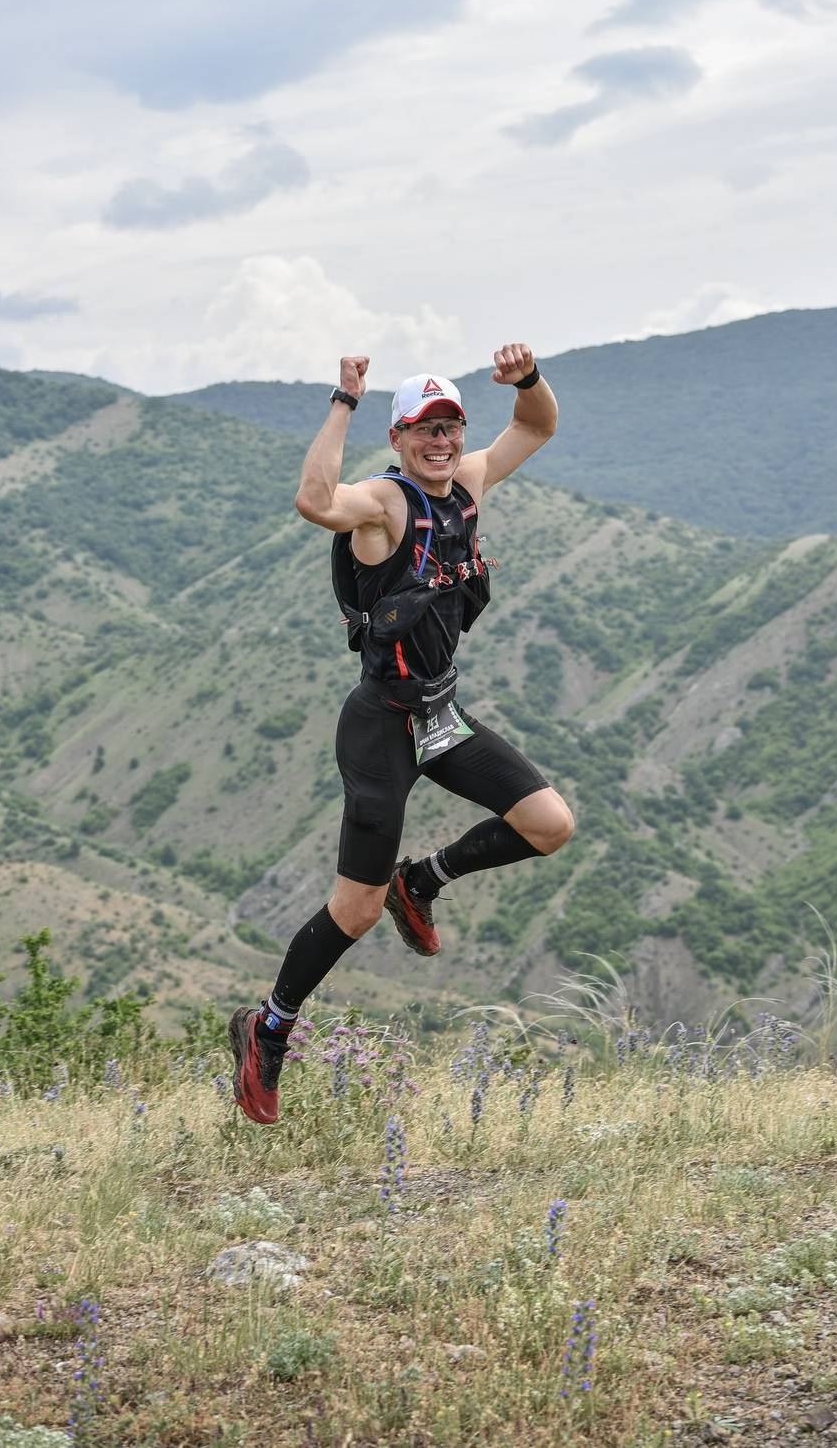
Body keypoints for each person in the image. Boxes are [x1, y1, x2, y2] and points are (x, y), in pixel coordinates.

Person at [229, 343, 574, 1123]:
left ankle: (419, 882)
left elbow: (537, 426)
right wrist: (343, 400)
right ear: (399, 438)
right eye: (425, 429)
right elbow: (315, 499)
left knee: (550, 824)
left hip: (441, 714)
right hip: (381, 725)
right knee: (352, 911)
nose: (441, 441)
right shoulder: (384, 506)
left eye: (450, 426)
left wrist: (526, 379)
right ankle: (267, 1029)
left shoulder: (468, 485)